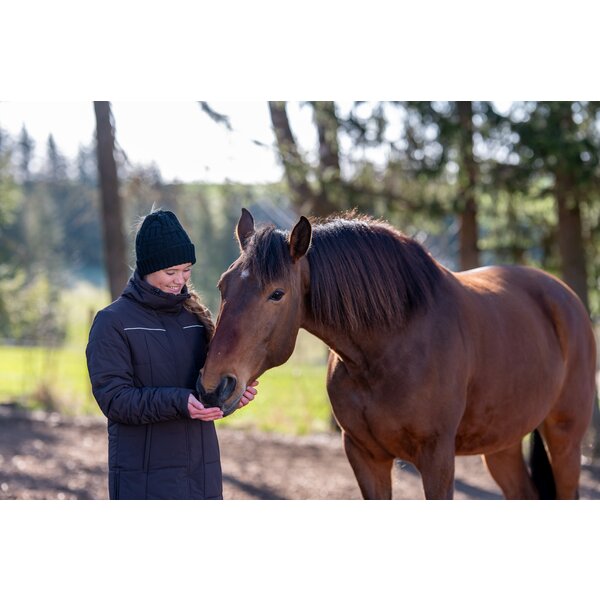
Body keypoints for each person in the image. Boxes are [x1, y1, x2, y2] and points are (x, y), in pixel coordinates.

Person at [86, 209, 257, 499]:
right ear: (147, 268)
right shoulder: (112, 322)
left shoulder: (196, 319)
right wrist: (178, 402)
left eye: (186, 269)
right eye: (171, 272)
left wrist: (228, 396)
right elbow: (114, 399)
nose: (180, 279)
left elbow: (203, 391)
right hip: (144, 482)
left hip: (202, 478)